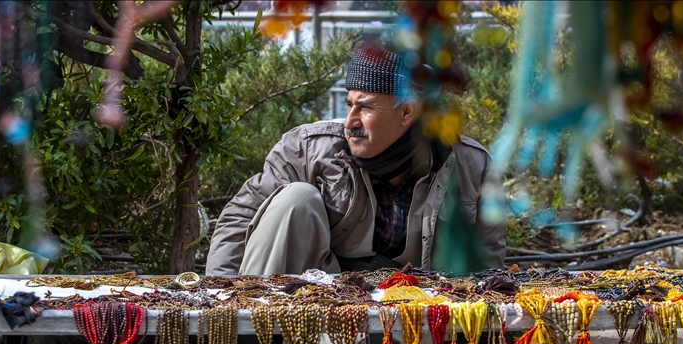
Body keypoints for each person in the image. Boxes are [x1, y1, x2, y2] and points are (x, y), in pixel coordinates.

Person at [206, 41, 506, 276]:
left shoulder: (472, 166)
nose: (350, 121)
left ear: (406, 112)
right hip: (309, 301)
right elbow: (238, 221)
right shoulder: (307, 149)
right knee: (296, 199)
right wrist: (220, 312)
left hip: (409, 317)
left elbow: (485, 266)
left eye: (365, 107)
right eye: (349, 104)